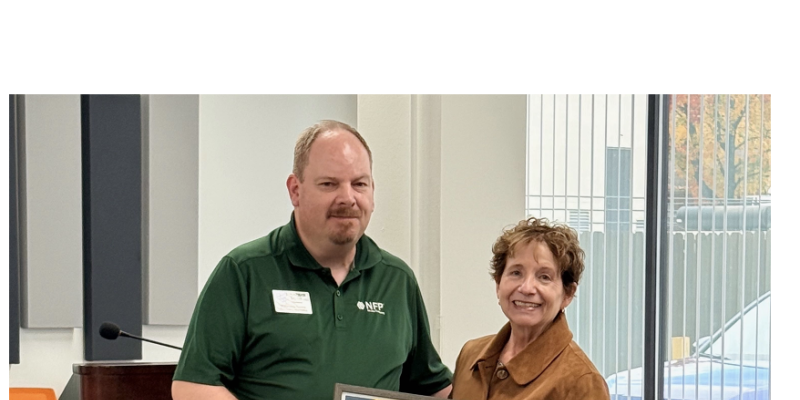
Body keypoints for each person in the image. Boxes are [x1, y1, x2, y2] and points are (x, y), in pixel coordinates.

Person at [172, 120, 453, 400]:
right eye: (329, 184)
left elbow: (433, 386)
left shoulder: (397, 280)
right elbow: (193, 387)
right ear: (295, 190)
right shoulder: (243, 272)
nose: (348, 198)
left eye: (359, 184)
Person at [449, 217, 609, 400]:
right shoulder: (471, 355)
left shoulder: (582, 381)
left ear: (567, 294)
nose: (526, 288)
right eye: (516, 273)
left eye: (544, 277)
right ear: (498, 284)